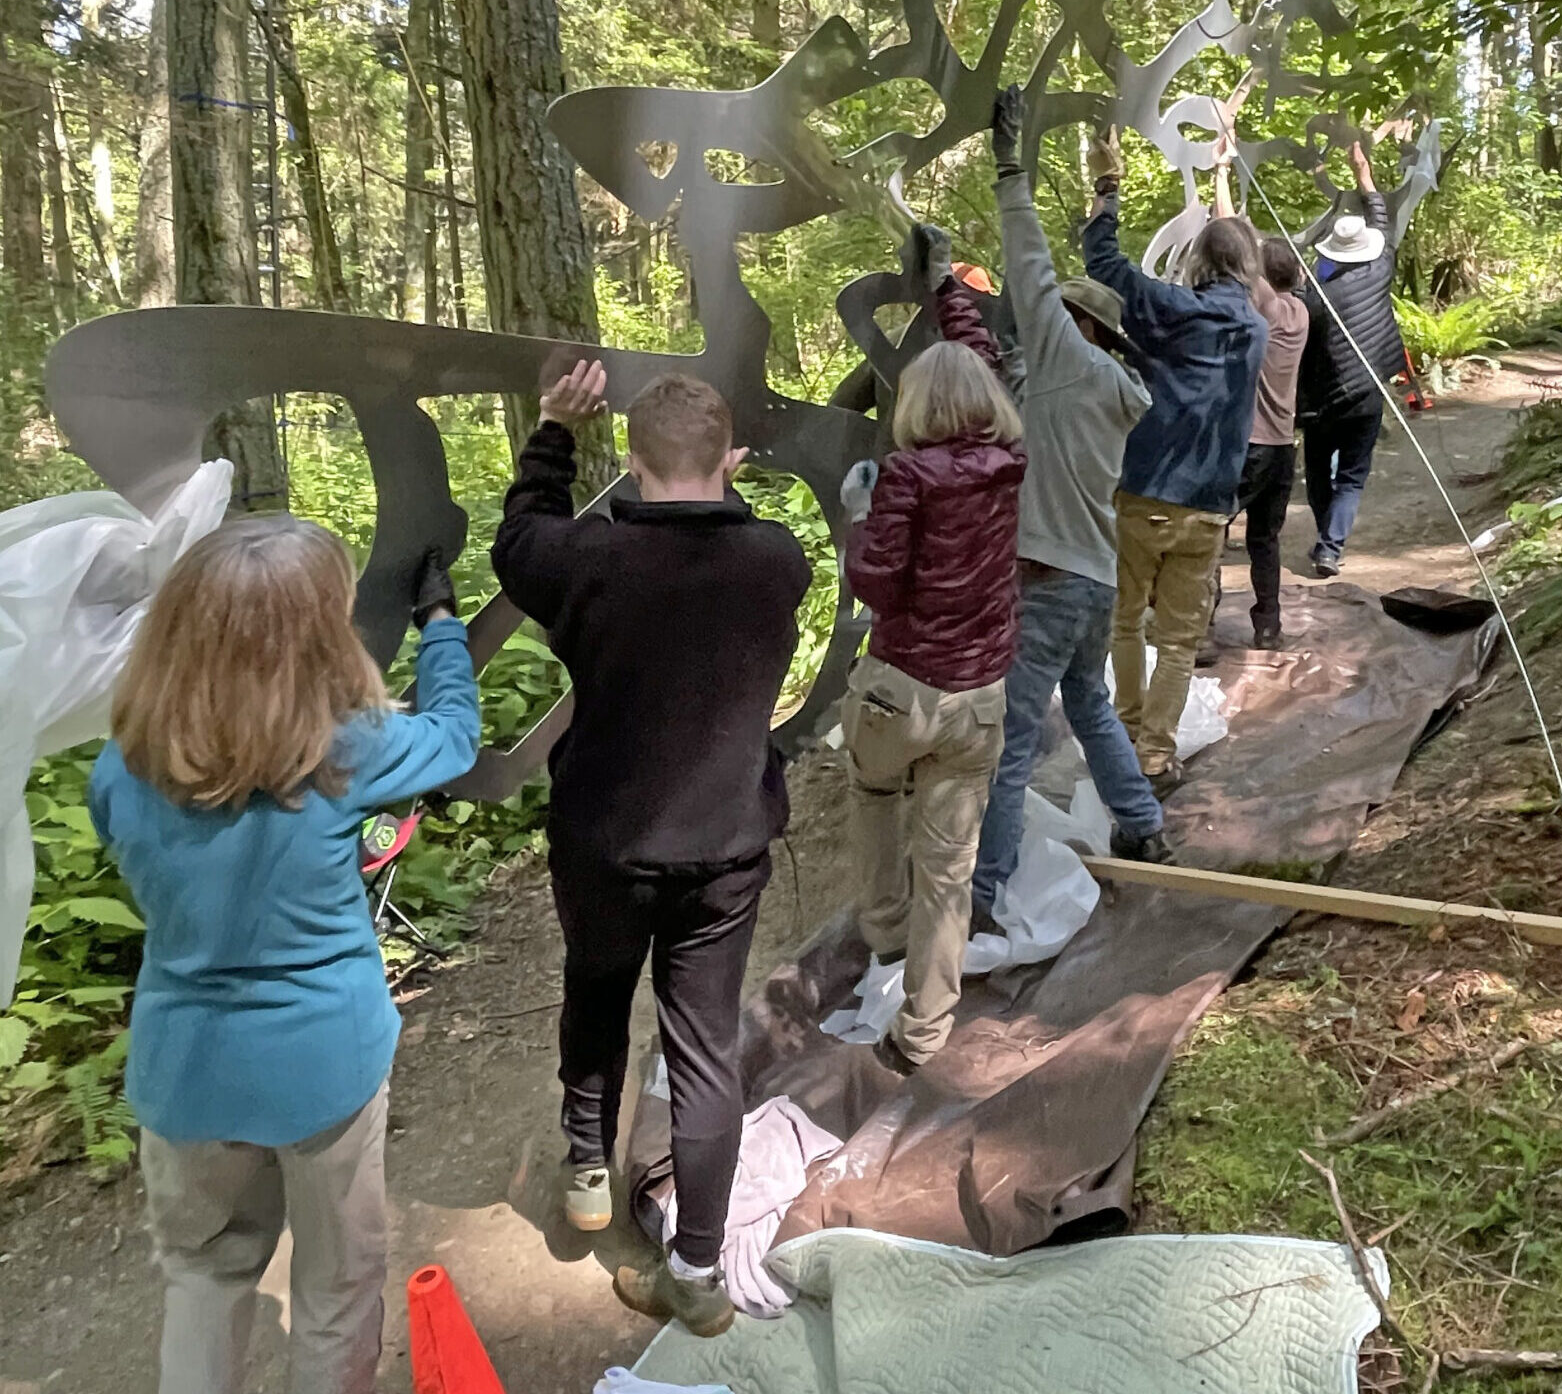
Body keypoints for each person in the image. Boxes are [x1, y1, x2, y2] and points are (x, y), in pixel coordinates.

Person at [90, 519, 479, 1394]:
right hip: (324, 1067)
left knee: (204, 1278)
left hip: (184, 1073)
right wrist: (442, 622)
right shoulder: (350, 752)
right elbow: (455, 733)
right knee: (338, 1288)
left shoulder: (124, 766)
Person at [491, 361, 812, 1338]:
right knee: (705, 1049)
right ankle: (699, 1272)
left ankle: (589, 1173)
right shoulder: (776, 558)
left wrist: (552, 428)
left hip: (606, 842)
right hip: (724, 851)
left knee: (595, 990)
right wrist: (722, 482)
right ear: (728, 463)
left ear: (631, 463)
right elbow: (732, 529)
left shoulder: (587, 559)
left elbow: (518, 541)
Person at [948, 88, 1167, 930]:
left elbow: (1030, 266)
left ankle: (982, 895)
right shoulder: (1105, 386)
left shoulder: (1071, 362)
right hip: (1094, 582)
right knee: (1092, 705)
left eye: (1058, 316)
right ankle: (1144, 828)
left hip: (1046, 585)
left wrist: (1012, 169)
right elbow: (1014, 387)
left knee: (1006, 746)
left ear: (1078, 326)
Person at [839, 337, 1025, 1073]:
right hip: (980, 694)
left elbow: (875, 585)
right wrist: (950, 289)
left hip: (904, 687)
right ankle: (922, 1034)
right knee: (950, 871)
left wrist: (861, 513)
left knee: (872, 788)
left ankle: (884, 928)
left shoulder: (907, 476)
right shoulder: (1011, 465)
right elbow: (985, 359)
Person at [1083, 133, 1268, 788]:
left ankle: (1126, 732)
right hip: (1210, 508)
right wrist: (1223, 176)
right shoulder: (1256, 326)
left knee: (1126, 621)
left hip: (1145, 496)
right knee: (1179, 643)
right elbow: (1235, 261)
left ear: (1197, 262)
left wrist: (1109, 190)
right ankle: (1154, 756)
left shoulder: (1170, 311)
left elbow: (1104, 264)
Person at [1298, 142, 1403, 576]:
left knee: (1319, 473)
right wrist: (1364, 177)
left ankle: (1326, 541)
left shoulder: (1315, 297)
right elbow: (1384, 224)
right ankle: (1330, 547)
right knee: (1353, 476)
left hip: (1323, 401)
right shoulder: (1381, 270)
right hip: (1367, 394)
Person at [1235, 234, 1311, 646]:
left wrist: (1222, 176)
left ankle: (1202, 629)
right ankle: (1268, 626)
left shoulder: (1269, 310)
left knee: (1212, 530)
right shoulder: (1300, 312)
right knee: (1265, 539)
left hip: (1252, 445)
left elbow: (1239, 245)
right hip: (1283, 447)